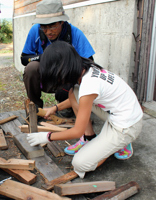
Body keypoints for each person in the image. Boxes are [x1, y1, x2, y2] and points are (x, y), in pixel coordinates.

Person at [26, 41, 143, 178]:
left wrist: (47, 136)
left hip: (127, 126)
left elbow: (77, 131)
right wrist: (55, 108)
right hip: (121, 112)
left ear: (61, 69)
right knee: (73, 92)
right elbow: (78, 98)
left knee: (80, 164)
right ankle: (90, 138)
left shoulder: (89, 85)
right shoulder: (87, 68)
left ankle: (117, 144)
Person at [21, 0, 95, 116]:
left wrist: (69, 80)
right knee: (31, 68)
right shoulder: (35, 31)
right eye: (44, 27)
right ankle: (35, 108)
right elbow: (24, 58)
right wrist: (44, 57)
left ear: (61, 22)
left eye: (53, 27)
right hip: (46, 79)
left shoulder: (75, 34)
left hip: (67, 81)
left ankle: (68, 104)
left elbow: (89, 63)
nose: (48, 32)